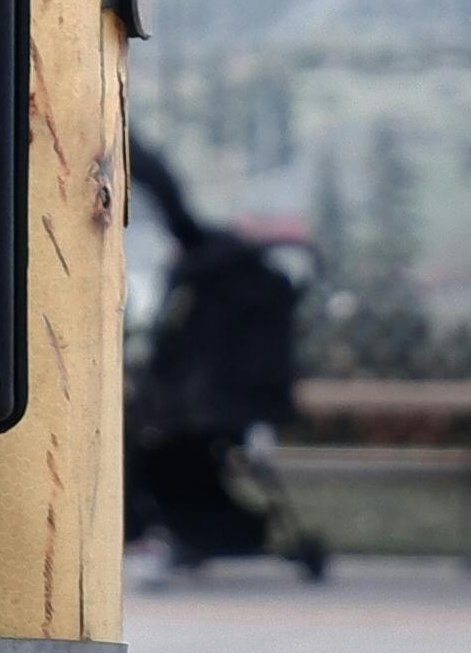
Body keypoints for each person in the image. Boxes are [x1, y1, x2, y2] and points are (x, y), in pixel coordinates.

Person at [126, 135, 327, 580]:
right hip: (216, 408)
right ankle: (187, 531)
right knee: (165, 453)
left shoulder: (230, 281)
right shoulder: (240, 278)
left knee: (160, 449)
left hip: (211, 409)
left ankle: (184, 532)